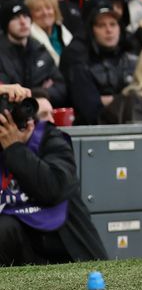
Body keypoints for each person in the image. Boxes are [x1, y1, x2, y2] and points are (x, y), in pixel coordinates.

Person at [0, 83, 108, 265]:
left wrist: (14, 148)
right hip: (20, 246)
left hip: (62, 246)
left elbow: (54, 188)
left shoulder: (51, 139)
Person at [0, 3, 68, 106]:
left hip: (42, 111)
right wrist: (38, 91)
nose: (23, 22)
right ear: (6, 24)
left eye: (26, 16)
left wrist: (37, 94)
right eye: (15, 18)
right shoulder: (2, 54)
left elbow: (61, 89)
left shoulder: (40, 50)